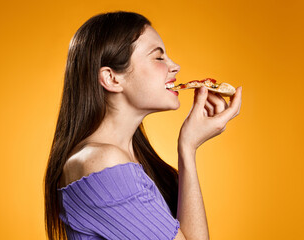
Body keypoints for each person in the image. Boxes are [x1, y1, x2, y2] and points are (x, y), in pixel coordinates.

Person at [44, 11, 242, 240]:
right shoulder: (100, 163)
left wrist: (188, 147)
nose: (175, 66)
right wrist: (187, 148)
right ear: (111, 78)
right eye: (158, 58)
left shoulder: (132, 158)